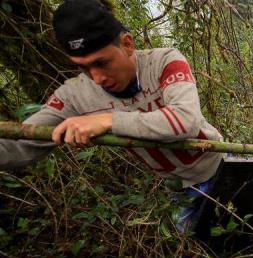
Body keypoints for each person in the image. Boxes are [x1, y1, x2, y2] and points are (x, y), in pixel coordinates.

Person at [0, 0, 224, 235]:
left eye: (102, 63)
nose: (97, 78)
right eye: (84, 68)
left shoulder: (164, 62)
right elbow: (22, 142)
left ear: (127, 44)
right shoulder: (74, 96)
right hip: (179, 189)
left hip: (220, 168)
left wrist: (107, 121)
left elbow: (185, 120)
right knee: (193, 244)